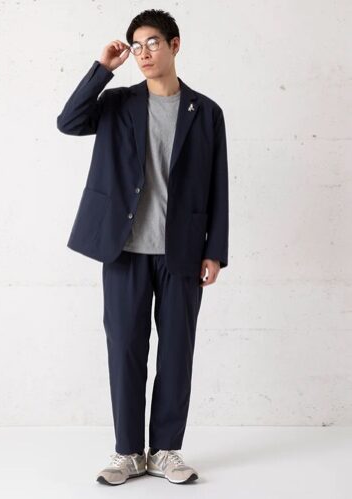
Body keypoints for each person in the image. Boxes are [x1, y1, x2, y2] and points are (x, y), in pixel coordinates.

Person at [56, 8, 229, 486]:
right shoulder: (117, 103)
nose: (144, 53)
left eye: (153, 42)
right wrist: (102, 69)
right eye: (136, 46)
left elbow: (218, 184)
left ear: (175, 45)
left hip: (183, 252)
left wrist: (215, 250)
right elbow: (68, 122)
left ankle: (166, 450)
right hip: (123, 249)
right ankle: (129, 452)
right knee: (125, 351)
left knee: (176, 353)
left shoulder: (206, 112)